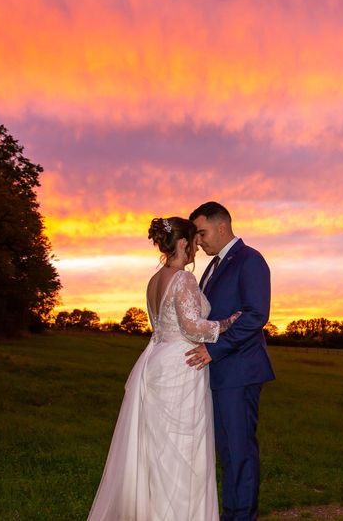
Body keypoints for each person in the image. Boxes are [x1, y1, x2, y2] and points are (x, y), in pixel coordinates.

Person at [88, 216, 240, 521]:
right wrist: (228, 322)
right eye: (194, 244)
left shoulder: (154, 280)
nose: (197, 250)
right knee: (181, 450)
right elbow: (193, 328)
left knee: (158, 448)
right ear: (183, 243)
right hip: (181, 367)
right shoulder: (182, 279)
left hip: (156, 361)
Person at [186, 202, 275, 521]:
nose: (198, 241)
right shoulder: (212, 267)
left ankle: (241, 516)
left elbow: (255, 316)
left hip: (239, 371)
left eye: (202, 232)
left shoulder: (250, 260)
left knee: (239, 453)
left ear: (222, 226)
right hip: (218, 373)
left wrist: (216, 349)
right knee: (227, 452)